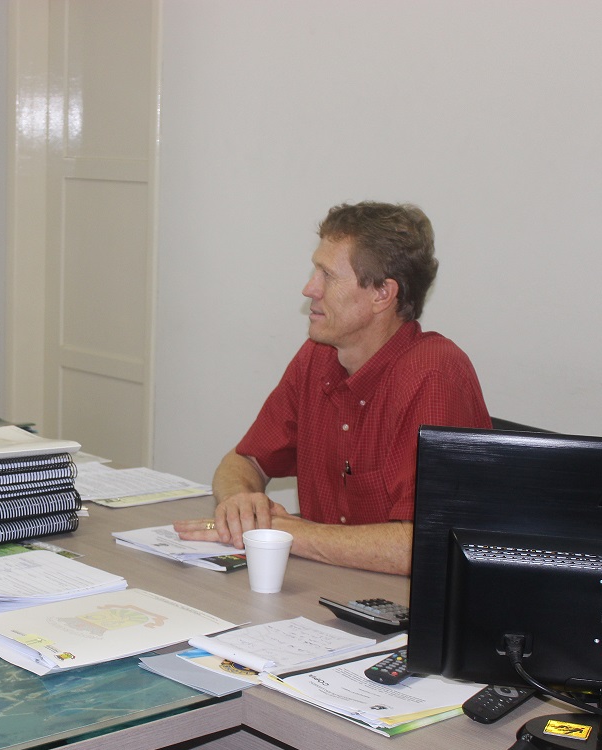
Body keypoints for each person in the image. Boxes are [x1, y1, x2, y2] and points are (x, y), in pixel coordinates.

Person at [174, 202, 490, 575]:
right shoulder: (318, 357)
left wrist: (282, 531)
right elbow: (244, 461)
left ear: (382, 295)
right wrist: (241, 503)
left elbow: (424, 545)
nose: (310, 288)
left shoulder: (435, 376)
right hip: (320, 590)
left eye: (328, 275)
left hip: (403, 611)